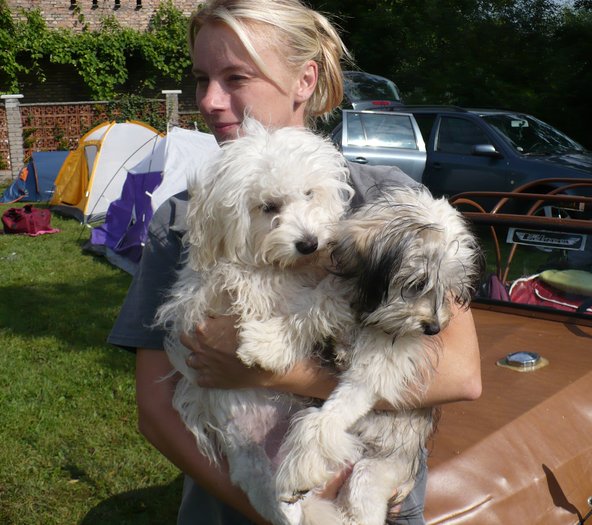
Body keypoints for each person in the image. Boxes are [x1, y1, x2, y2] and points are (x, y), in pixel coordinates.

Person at [108, 1, 482, 523]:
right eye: (201, 79)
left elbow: (460, 375)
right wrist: (275, 511)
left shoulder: (387, 202)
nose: (210, 101)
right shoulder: (181, 218)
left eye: (236, 77)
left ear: (305, 80)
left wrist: (280, 375)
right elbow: (156, 411)